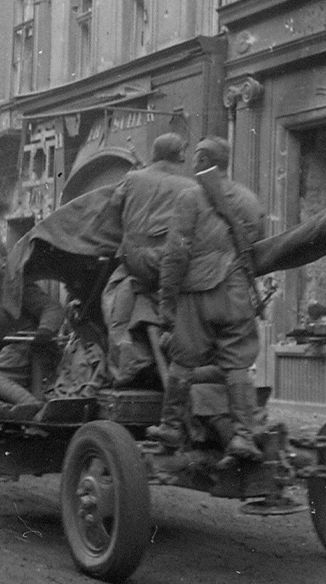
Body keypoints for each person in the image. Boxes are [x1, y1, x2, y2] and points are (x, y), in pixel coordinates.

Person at [149, 135, 267, 462]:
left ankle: (171, 428)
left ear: (202, 159)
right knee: (237, 364)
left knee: (182, 362)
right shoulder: (249, 199)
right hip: (237, 291)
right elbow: (258, 245)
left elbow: (175, 254)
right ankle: (243, 435)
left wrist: (166, 305)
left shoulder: (190, 197)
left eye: (196, 156)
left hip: (196, 293)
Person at [103, 132, 196, 386]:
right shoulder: (191, 186)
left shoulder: (132, 178)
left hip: (134, 260)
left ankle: (128, 356)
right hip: (171, 265)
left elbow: (113, 207)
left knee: (111, 296)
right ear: (179, 156)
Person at [0, 237, 65, 420]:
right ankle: (4, 412)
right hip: (11, 353)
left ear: (4, 262)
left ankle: (34, 408)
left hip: (28, 352)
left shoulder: (17, 287)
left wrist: (45, 331)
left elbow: (52, 308)